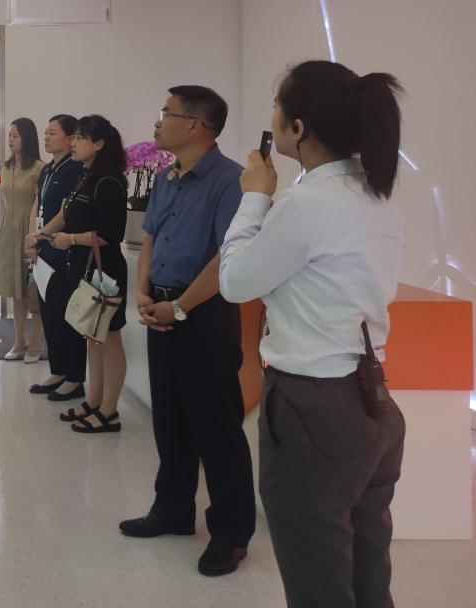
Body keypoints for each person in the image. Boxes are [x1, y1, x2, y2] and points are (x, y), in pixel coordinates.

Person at [219, 61, 407, 608]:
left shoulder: (305, 204)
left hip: (312, 409)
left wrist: (254, 198)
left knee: (317, 580)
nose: (272, 118)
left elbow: (235, 282)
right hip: (372, 400)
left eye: (277, 108)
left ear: (297, 128)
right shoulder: (378, 196)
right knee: (368, 573)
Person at [120, 86, 256, 578]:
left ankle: (231, 533)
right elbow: (150, 239)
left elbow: (226, 260)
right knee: (170, 419)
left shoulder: (230, 182)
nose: (158, 122)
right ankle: (173, 510)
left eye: (167, 113)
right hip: (162, 306)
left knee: (216, 426)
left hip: (204, 313)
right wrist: (143, 293)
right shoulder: (166, 177)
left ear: (196, 125)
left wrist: (178, 307)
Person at [36, 115, 129, 429]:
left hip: (104, 272)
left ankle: (109, 411)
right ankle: (94, 401)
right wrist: (44, 235)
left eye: (80, 138)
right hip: (82, 268)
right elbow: (66, 214)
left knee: (109, 339)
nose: (73, 143)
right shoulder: (85, 177)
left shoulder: (108, 182)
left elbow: (110, 235)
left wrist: (71, 239)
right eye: (73, 137)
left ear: (99, 144)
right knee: (93, 337)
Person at [25, 114, 84, 395]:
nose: (46, 137)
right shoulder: (48, 169)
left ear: (71, 138)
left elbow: (64, 213)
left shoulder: (74, 169)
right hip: (44, 250)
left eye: (53, 132)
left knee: (65, 316)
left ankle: (74, 378)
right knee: (48, 314)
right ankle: (57, 370)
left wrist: (39, 235)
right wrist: (32, 239)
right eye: (46, 132)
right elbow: (37, 203)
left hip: (63, 250)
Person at [0, 118, 45, 360]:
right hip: (8, 231)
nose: (10, 140)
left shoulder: (40, 168)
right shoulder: (6, 167)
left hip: (30, 231)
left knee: (33, 290)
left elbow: (39, 205)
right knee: (15, 290)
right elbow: (5, 203)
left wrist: (33, 237)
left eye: (15, 135)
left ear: (27, 138)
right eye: (9, 135)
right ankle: (19, 341)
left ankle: (36, 344)